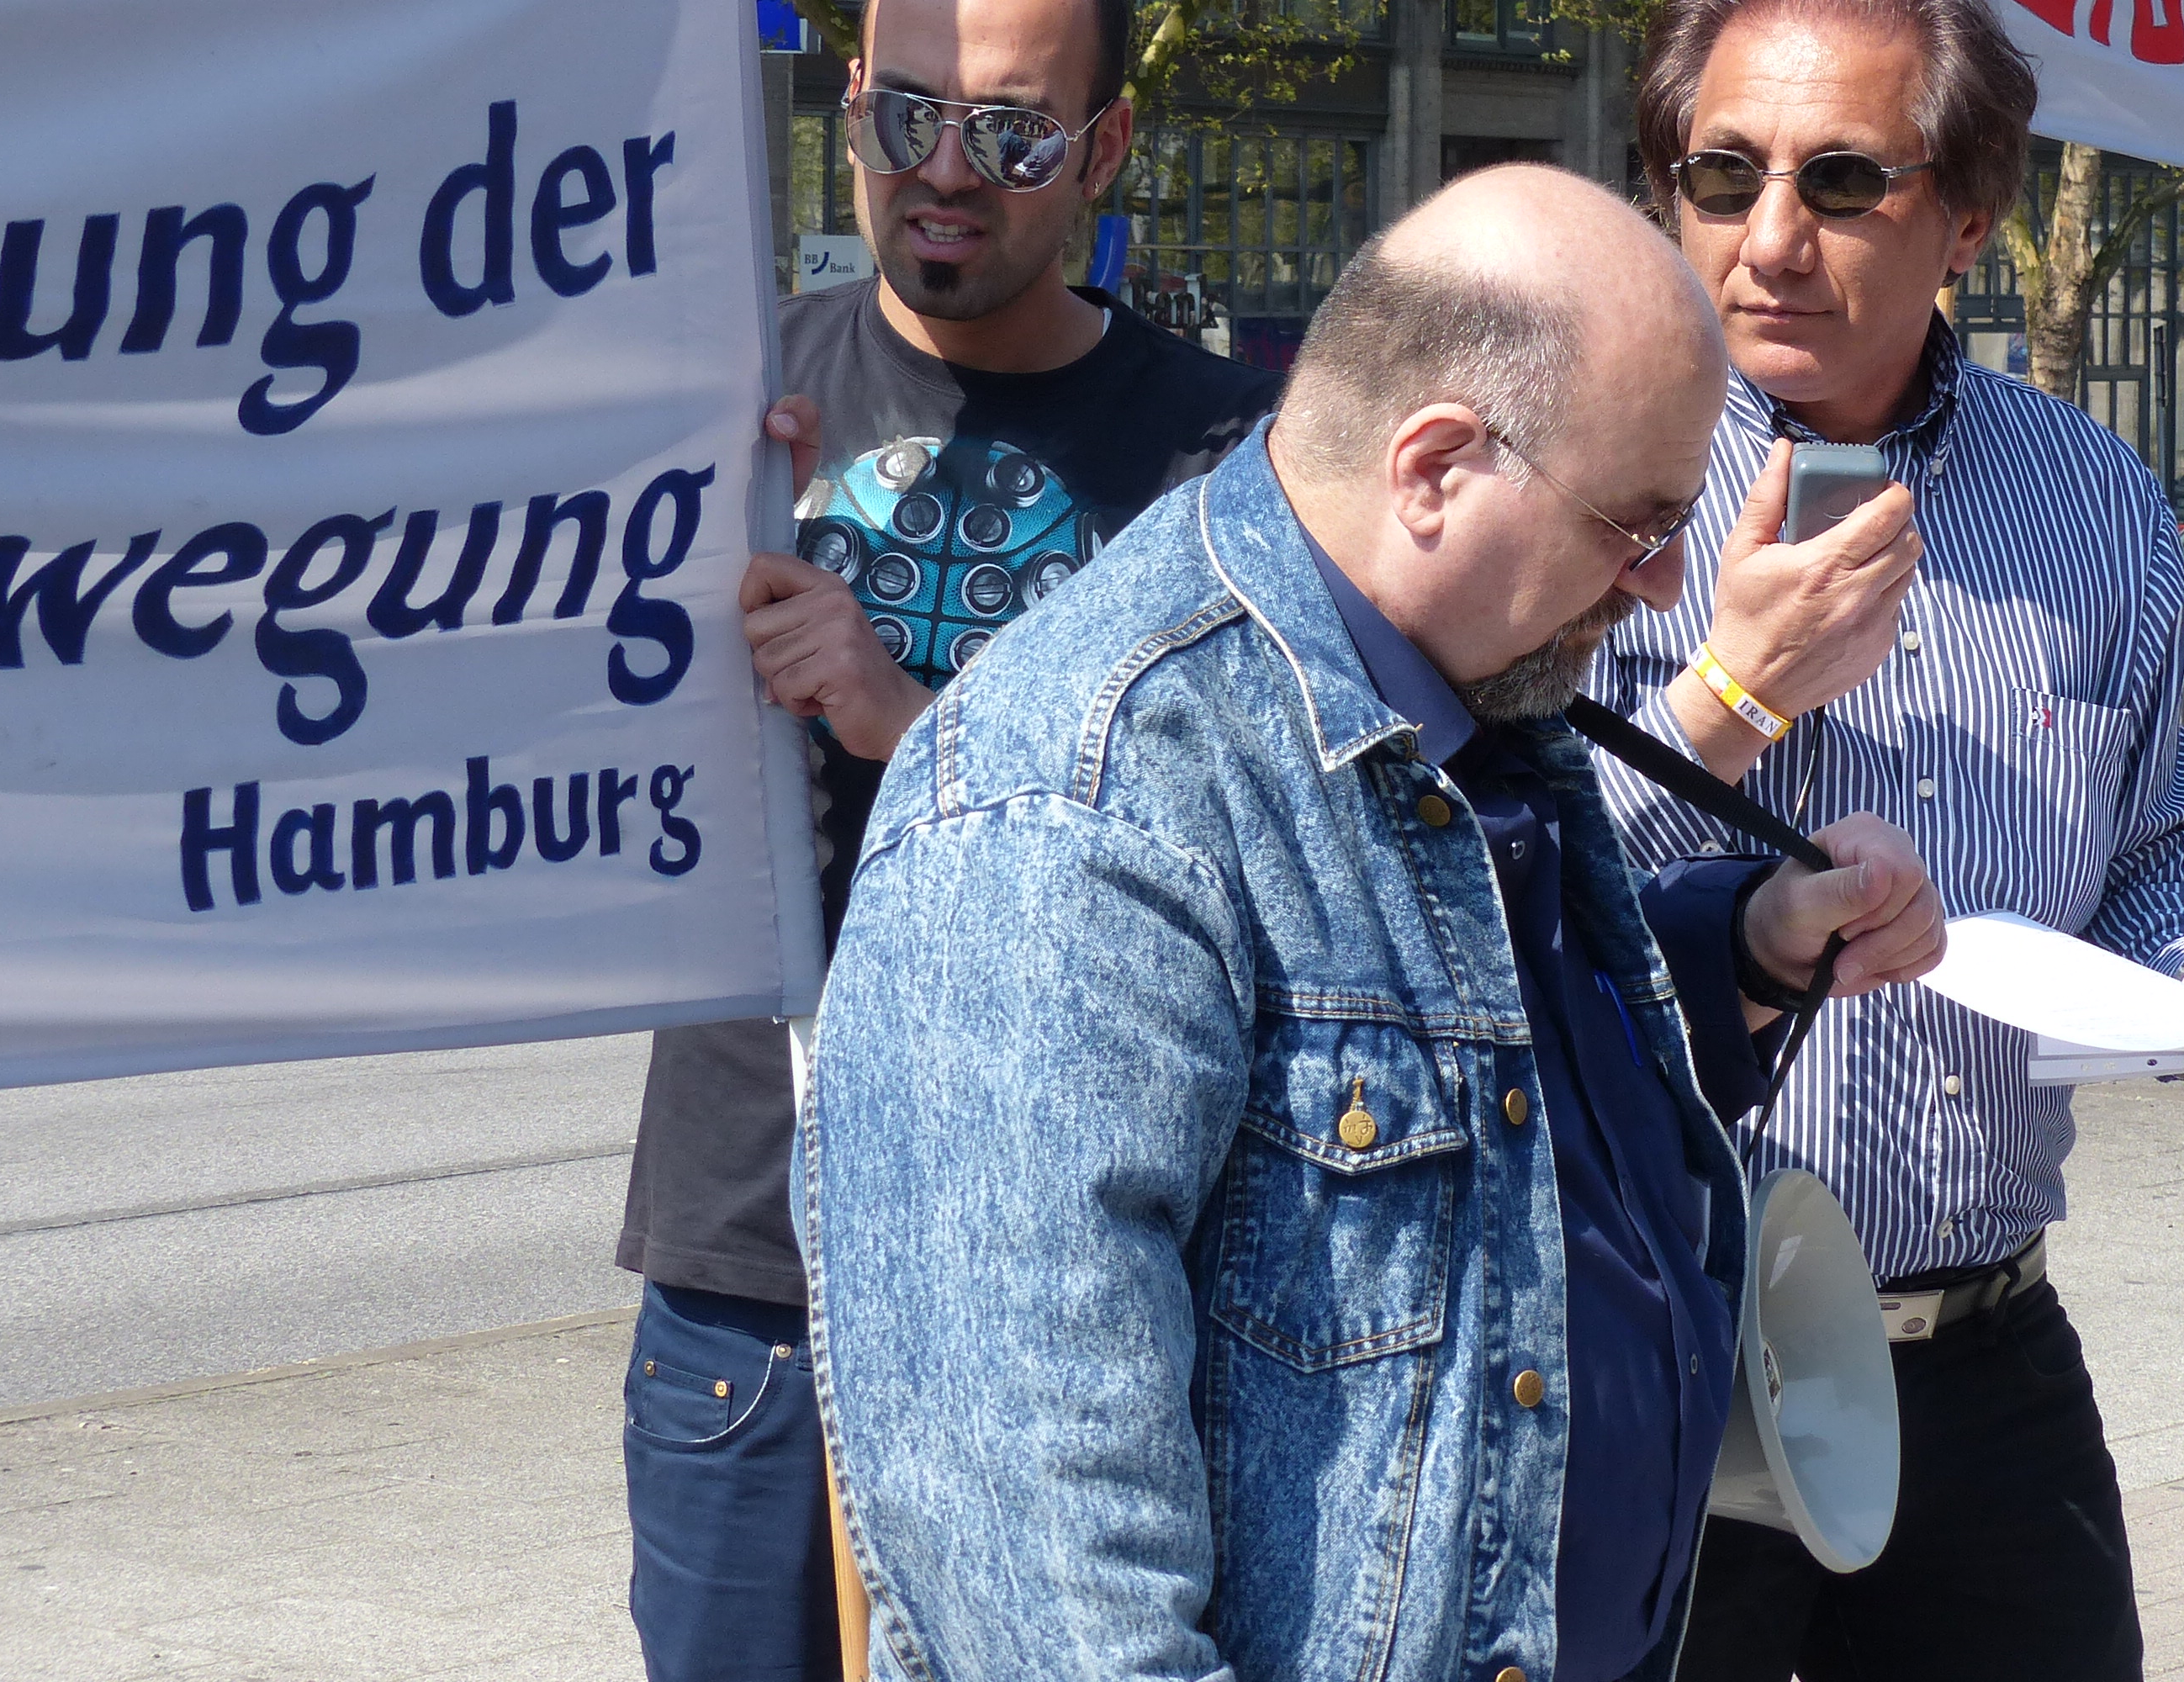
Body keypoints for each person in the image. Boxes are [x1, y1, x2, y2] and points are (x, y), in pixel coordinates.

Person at [804, 165, 1944, 1682]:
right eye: (1637, 524)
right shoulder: (1074, 801)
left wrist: (1737, 943)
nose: (1666, 581)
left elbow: (1463, 1045)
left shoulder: (1466, 675)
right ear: (1436, 469)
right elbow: (1039, 1571)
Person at [1587, 0, 2184, 1682]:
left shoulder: (2089, 495)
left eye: (1841, 181)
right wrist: (1728, 697)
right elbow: (1451, 881)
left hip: (1977, 1361)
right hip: (1646, 1350)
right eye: (1721, 177)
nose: (1769, 239)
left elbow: (2143, 848)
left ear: (1965, 219)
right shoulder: (1562, 470)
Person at [611, 0, 1282, 1682]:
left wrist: (904, 719)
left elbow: (1235, 864)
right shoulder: (726, 397)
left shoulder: (1228, 467)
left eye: (1011, 133)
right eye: (906, 115)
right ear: (850, 109)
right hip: (753, 1274)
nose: (945, 171)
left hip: (1072, 1292)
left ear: (1106, 150)